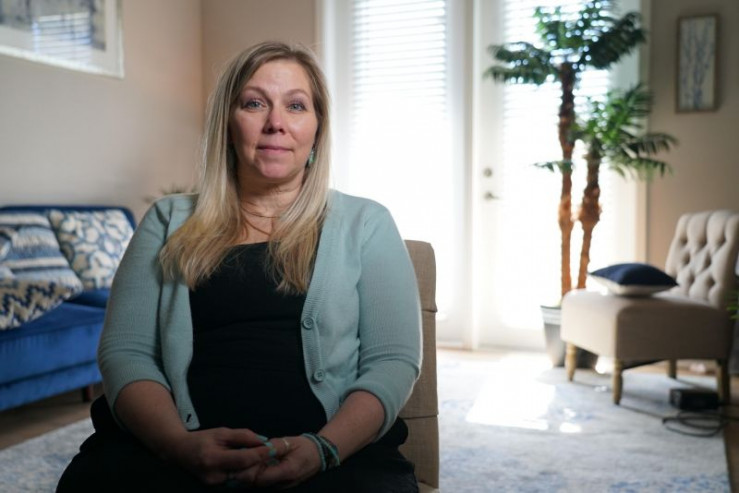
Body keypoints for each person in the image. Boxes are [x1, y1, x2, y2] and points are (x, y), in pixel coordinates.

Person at [56, 41, 422, 492]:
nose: (276, 122)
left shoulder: (367, 223)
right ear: (227, 126)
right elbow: (125, 352)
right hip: (169, 451)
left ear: (317, 129)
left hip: (334, 455)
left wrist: (323, 449)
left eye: (296, 106)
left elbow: (392, 361)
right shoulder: (168, 220)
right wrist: (178, 445)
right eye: (254, 103)